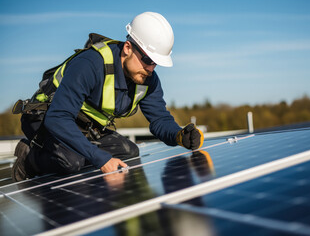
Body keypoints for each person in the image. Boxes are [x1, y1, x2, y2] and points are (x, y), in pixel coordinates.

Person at [12, 12, 204, 182]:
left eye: (156, 63)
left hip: (86, 128)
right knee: (72, 162)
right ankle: (29, 159)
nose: (151, 68)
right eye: (147, 59)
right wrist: (99, 157)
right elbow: (58, 117)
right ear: (128, 47)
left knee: (130, 152)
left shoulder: (148, 79)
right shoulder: (91, 65)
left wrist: (178, 136)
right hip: (46, 120)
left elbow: (160, 119)